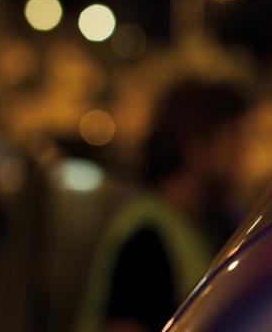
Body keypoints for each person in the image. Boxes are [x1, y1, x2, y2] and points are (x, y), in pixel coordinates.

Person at [76, 78, 249, 332]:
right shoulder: (146, 237)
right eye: (232, 136)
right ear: (195, 144)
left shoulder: (205, 223)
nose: (241, 152)